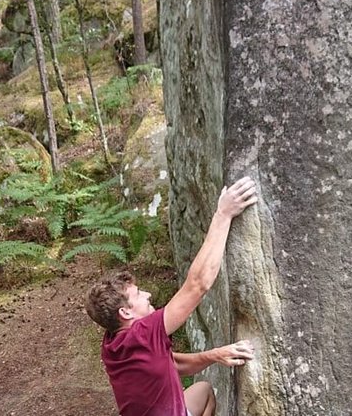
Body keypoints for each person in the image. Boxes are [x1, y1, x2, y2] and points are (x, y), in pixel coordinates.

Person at [86, 176, 258, 416]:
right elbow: (198, 285)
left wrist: (215, 355)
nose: (146, 294)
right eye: (138, 294)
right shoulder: (143, 334)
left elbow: (172, 364)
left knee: (204, 391)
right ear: (125, 312)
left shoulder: (113, 343)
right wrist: (224, 214)